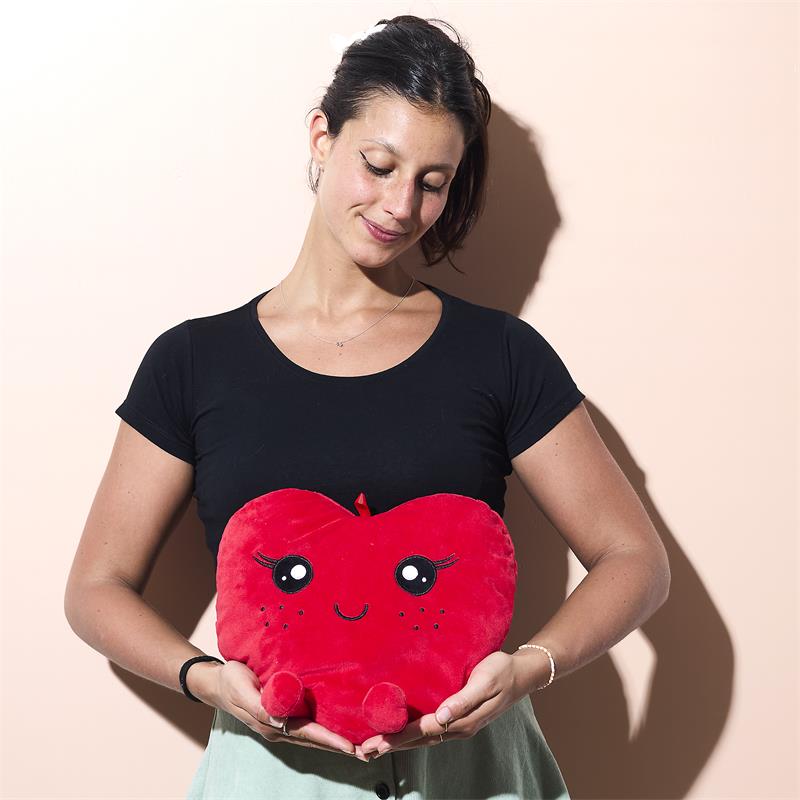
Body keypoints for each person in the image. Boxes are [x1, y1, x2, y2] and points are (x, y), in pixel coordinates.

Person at [64, 14, 671, 800]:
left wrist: (527, 669)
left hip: (472, 773)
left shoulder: (500, 354)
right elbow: (96, 586)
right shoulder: (193, 362)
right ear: (323, 138)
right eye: (378, 165)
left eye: (432, 182)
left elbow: (635, 560)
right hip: (274, 775)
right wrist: (208, 680)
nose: (399, 205)